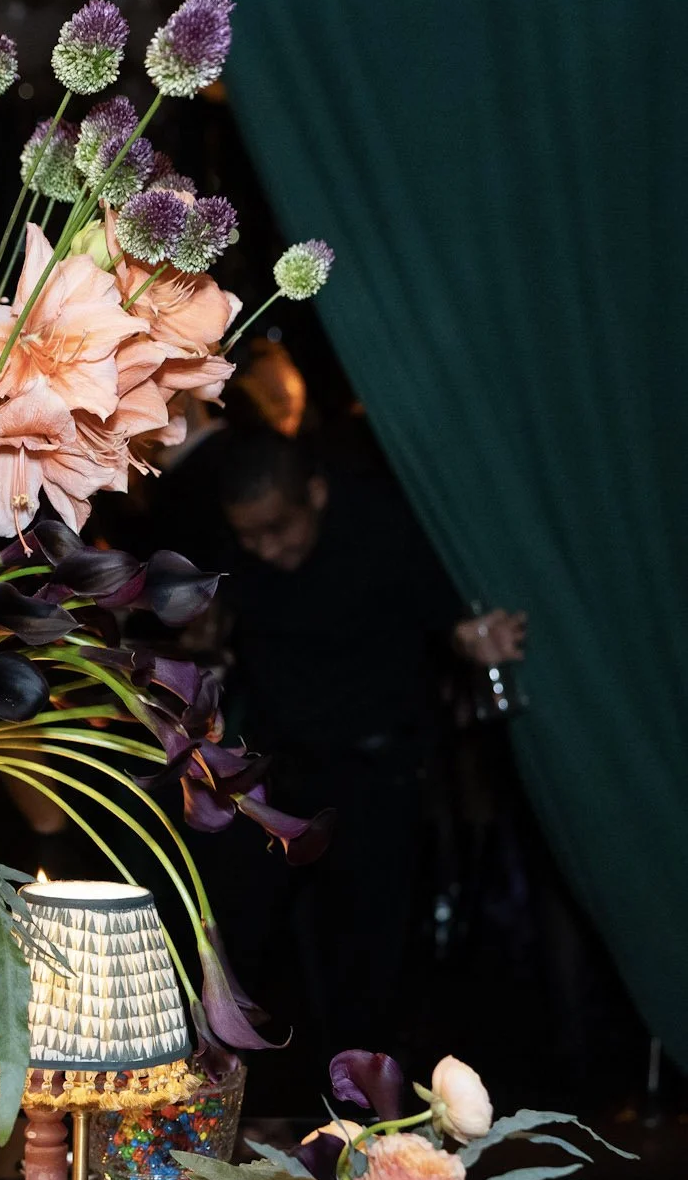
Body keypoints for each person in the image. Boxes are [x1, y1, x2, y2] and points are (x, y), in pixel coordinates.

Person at [197, 427, 525, 1080]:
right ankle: (224, 1095)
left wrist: (470, 639)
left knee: (367, 965)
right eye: (250, 536)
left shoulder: (385, 527)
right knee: (237, 943)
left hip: (377, 777)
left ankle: (357, 1109)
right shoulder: (242, 557)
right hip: (279, 777)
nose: (266, 548)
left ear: (316, 493)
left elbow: (451, 621)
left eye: (277, 528)